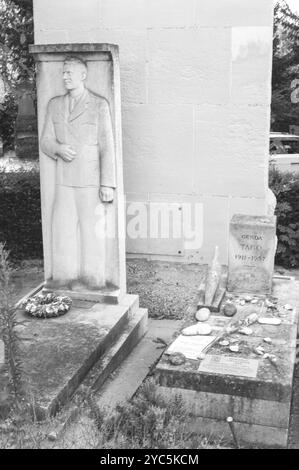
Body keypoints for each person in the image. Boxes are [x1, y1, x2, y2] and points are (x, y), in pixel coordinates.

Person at [41, 55, 116, 290]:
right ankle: (63, 279)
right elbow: (46, 141)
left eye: (69, 72)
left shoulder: (98, 104)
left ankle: (93, 281)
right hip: (64, 181)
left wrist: (107, 184)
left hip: (90, 181)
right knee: (62, 230)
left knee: (92, 233)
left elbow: (107, 146)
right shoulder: (54, 105)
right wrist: (58, 149)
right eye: (63, 72)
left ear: (83, 75)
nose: (64, 76)